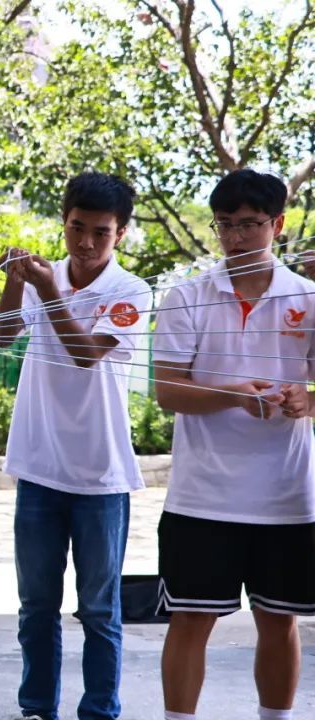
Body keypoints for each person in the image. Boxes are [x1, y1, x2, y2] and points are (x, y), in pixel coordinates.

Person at [153, 168, 315, 720]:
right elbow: (168, 391)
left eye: (249, 224)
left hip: (285, 497)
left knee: (279, 619)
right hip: (202, 496)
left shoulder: (308, 298)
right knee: (190, 619)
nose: (235, 237)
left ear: (278, 225)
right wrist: (232, 395)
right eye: (225, 225)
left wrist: (306, 401)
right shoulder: (187, 297)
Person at [0, 171, 150, 720]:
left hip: (101, 475)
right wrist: (15, 282)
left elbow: (85, 354)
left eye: (100, 232)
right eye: (76, 228)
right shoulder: (45, 276)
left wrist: (45, 291)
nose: (85, 242)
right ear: (64, 222)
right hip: (38, 467)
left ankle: (100, 710)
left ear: (120, 233)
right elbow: (2, 336)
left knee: (99, 609)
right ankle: (37, 707)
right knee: (36, 605)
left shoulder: (131, 291)